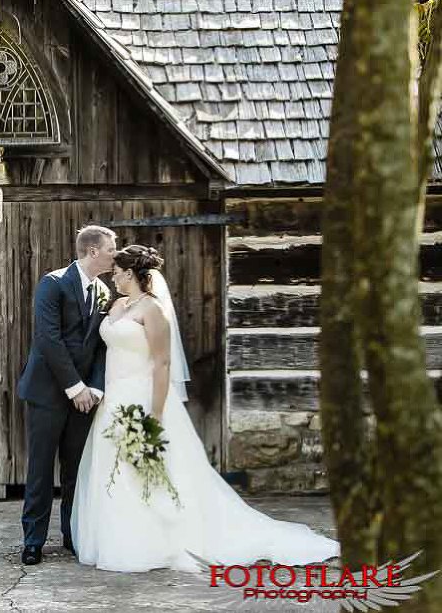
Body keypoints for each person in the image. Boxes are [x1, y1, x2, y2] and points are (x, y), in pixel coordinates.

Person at [71, 245, 340, 572]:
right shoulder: (117, 304)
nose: (113, 276)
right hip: (114, 398)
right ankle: (116, 538)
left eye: (117, 271)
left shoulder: (153, 311)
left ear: (130, 274)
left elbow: (162, 362)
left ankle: (159, 541)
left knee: (153, 469)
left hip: (143, 397)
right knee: (114, 469)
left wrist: (154, 415)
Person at [17, 225, 116, 566]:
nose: (114, 255)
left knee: (76, 470)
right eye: (110, 249)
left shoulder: (104, 292)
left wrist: (96, 388)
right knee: (41, 470)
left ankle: (73, 535)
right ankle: (33, 541)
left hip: (86, 398)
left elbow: (102, 347)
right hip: (48, 393)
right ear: (92, 252)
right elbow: (48, 339)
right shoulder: (53, 283)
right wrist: (75, 387)